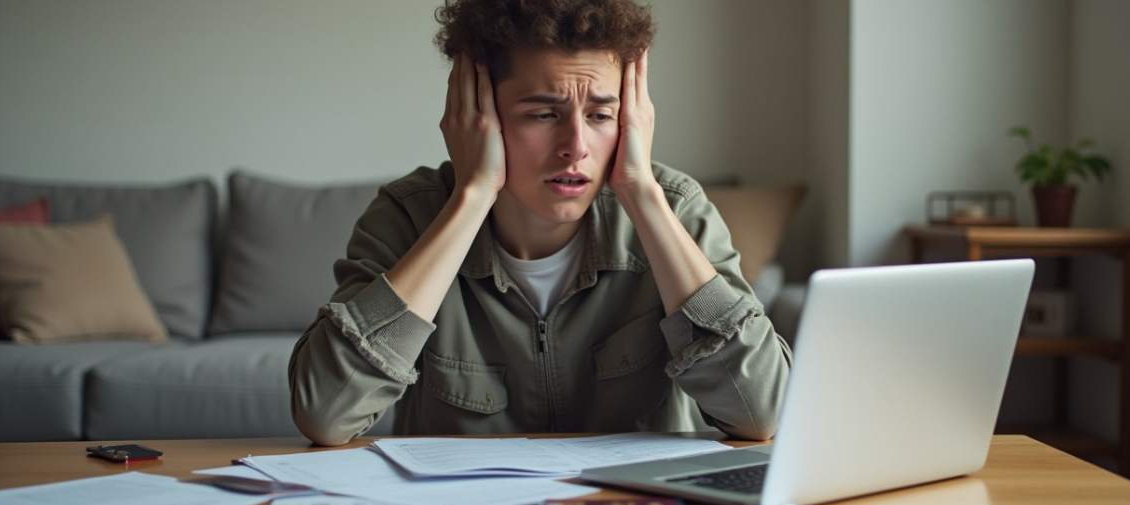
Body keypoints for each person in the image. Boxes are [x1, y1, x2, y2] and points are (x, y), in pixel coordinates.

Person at [288, 0, 791, 446]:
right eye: (543, 114)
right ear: (478, 113)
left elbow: (759, 412)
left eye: (600, 115)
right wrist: (472, 197)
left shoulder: (674, 209)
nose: (575, 145)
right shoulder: (407, 215)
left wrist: (642, 195)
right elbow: (326, 415)